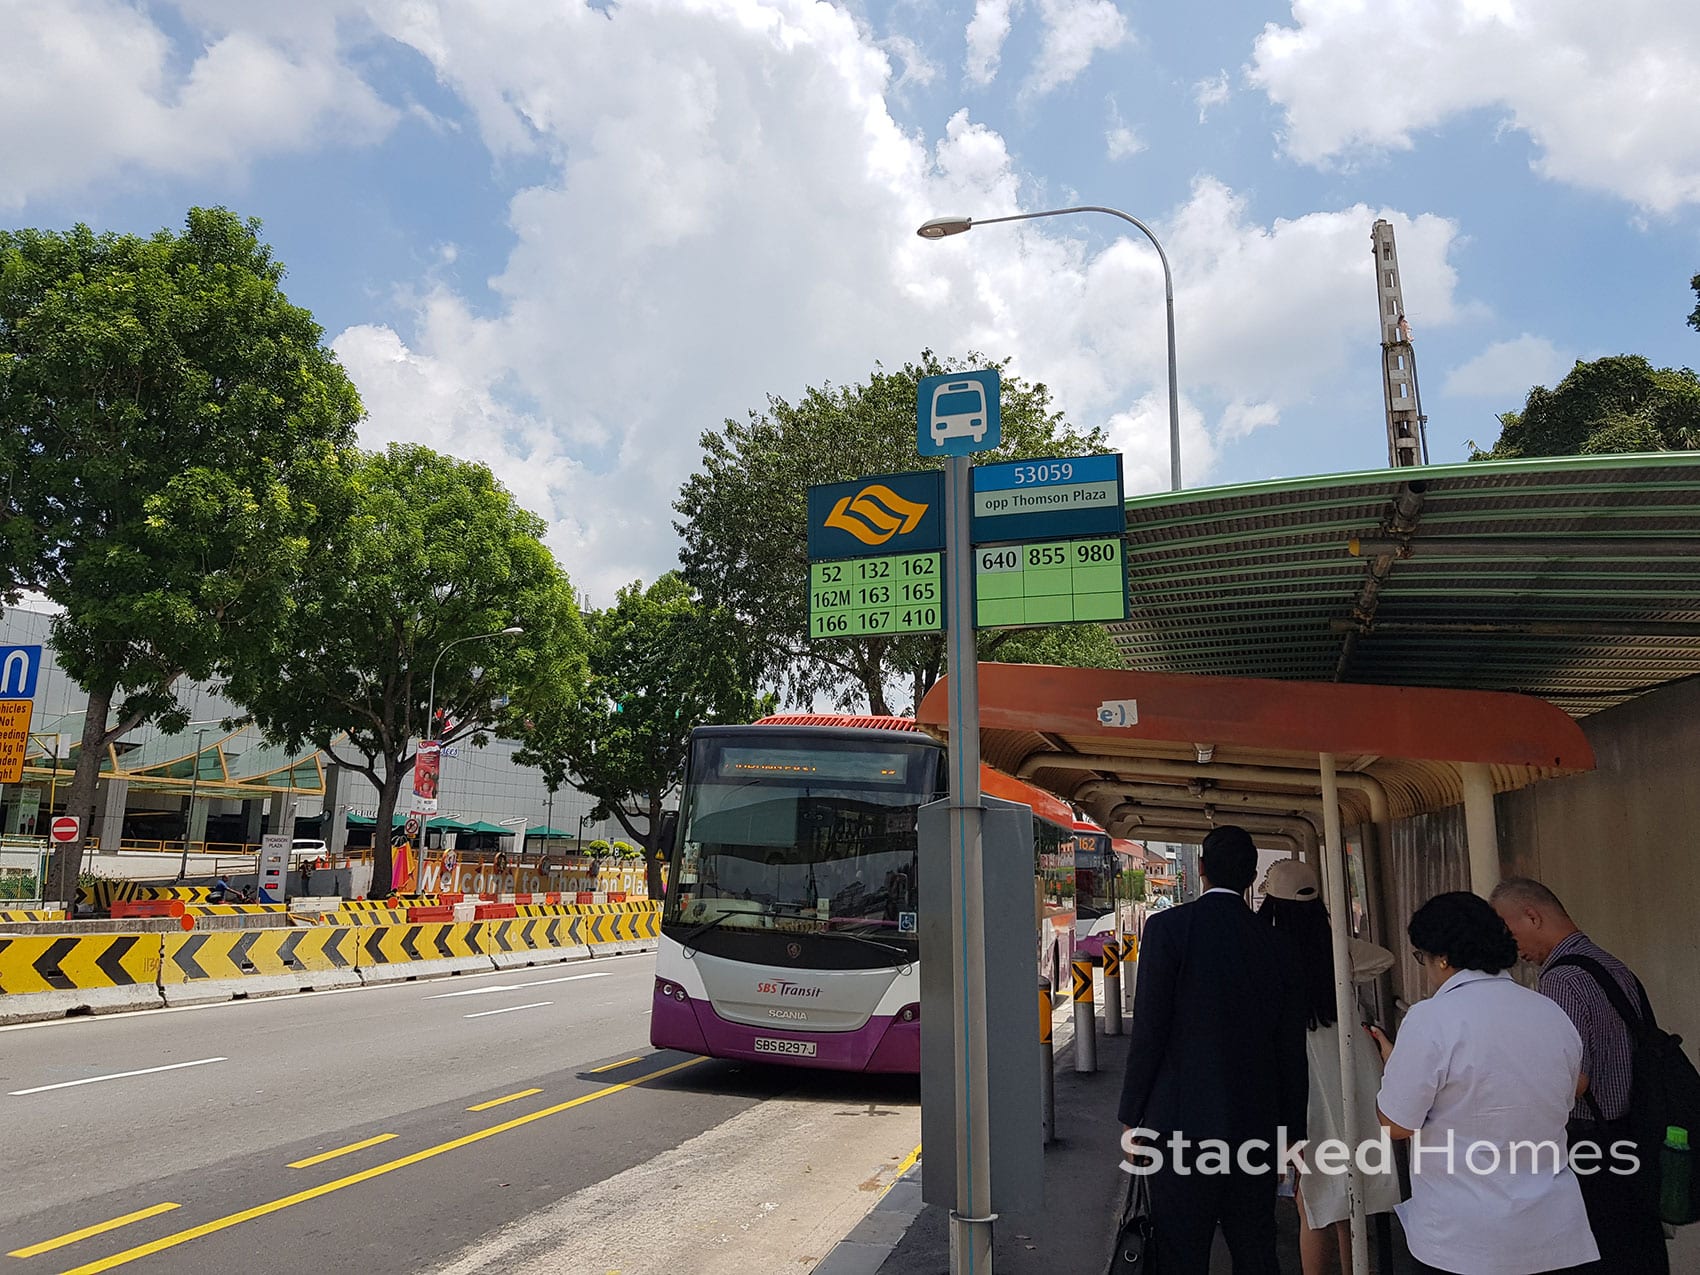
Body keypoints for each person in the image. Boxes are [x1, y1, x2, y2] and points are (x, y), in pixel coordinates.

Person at [1372, 891, 1598, 1275]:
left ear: (1441, 957)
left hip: (1461, 1238)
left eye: (1422, 957)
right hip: (1553, 1234)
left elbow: (1395, 1125)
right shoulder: (1550, 1013)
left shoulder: (1431, 1019)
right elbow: (1573, 1088)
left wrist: (1394, 1068)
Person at [1118, 825, 1308, 1274]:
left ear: (1200, 869)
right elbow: (1289, 1049)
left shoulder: (1167, 930)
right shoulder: (1278, 945)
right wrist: (1291, 1135)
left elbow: (1149, 1033)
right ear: (1249, 878)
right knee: (1256, 1246)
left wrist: (1132, 1115)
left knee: (1180, 1250)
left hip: (1178, 1127)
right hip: (1255, 1125)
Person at [1490, 877, 1670, 1274]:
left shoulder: (1560, 980)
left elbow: (1573, 1081)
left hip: (1592, 1147)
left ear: (1532, 916)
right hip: (1636, 1135)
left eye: (1510, 932)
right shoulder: (1612, 965)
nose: (1514, 951)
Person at [1257, 858, 1402, 1275]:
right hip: (1352, 1064)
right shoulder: (1337, 946)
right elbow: (1385, 959)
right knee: (1352, 1193)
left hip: (1300, 1071)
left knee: (1312, 1197)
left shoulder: (1267, 949)